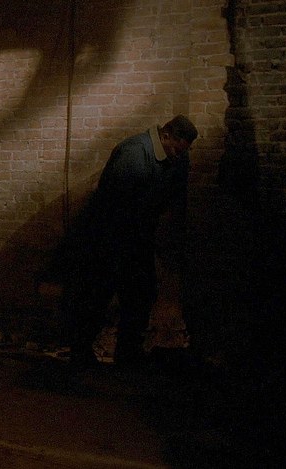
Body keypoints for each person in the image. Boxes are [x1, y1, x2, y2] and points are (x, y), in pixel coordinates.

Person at [63, 115, 198, 370]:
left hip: (138, 236)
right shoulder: (134, 153)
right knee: (99, 293)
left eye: (183, 152)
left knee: (141, 294)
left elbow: (175, 198)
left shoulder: (177, 157)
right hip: (110, 236)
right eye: (176, 150)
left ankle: (128, 353)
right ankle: (81, 352)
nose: (179, 156)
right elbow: (114, 203)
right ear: (166, 136)